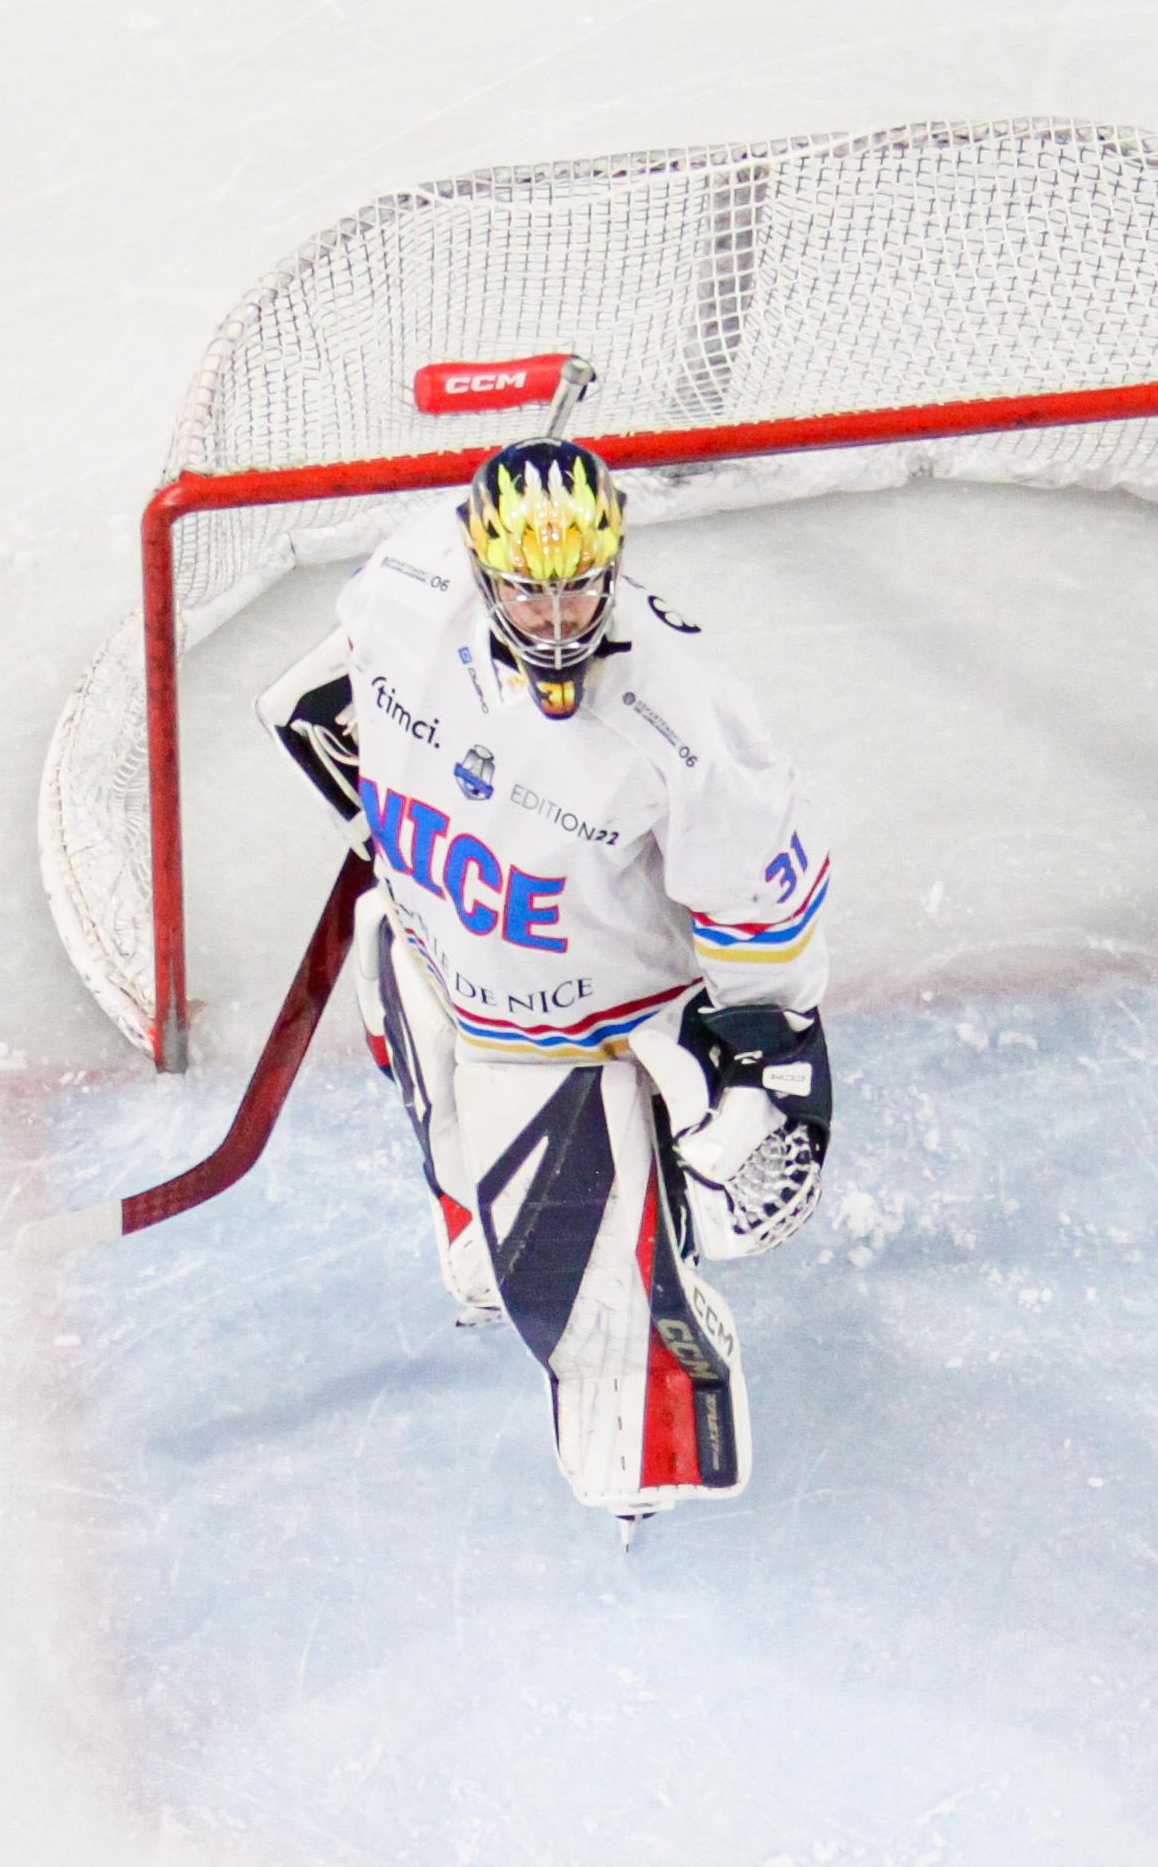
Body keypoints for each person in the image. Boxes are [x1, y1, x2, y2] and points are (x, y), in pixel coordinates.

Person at [255, 434, 831, 1533]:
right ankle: (477, 1234)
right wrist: (378, 812)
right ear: (481, 569)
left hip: (579, 1041)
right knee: (455, 1163)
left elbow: (759, 908)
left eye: (578, 592)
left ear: (614, 564)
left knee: (597, 1323)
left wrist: (769, 1063)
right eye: (529, 594)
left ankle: (643, 1481)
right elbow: (318, 697)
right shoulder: (407, 587)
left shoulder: (682, 709)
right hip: (429, 959)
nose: (558, 622)